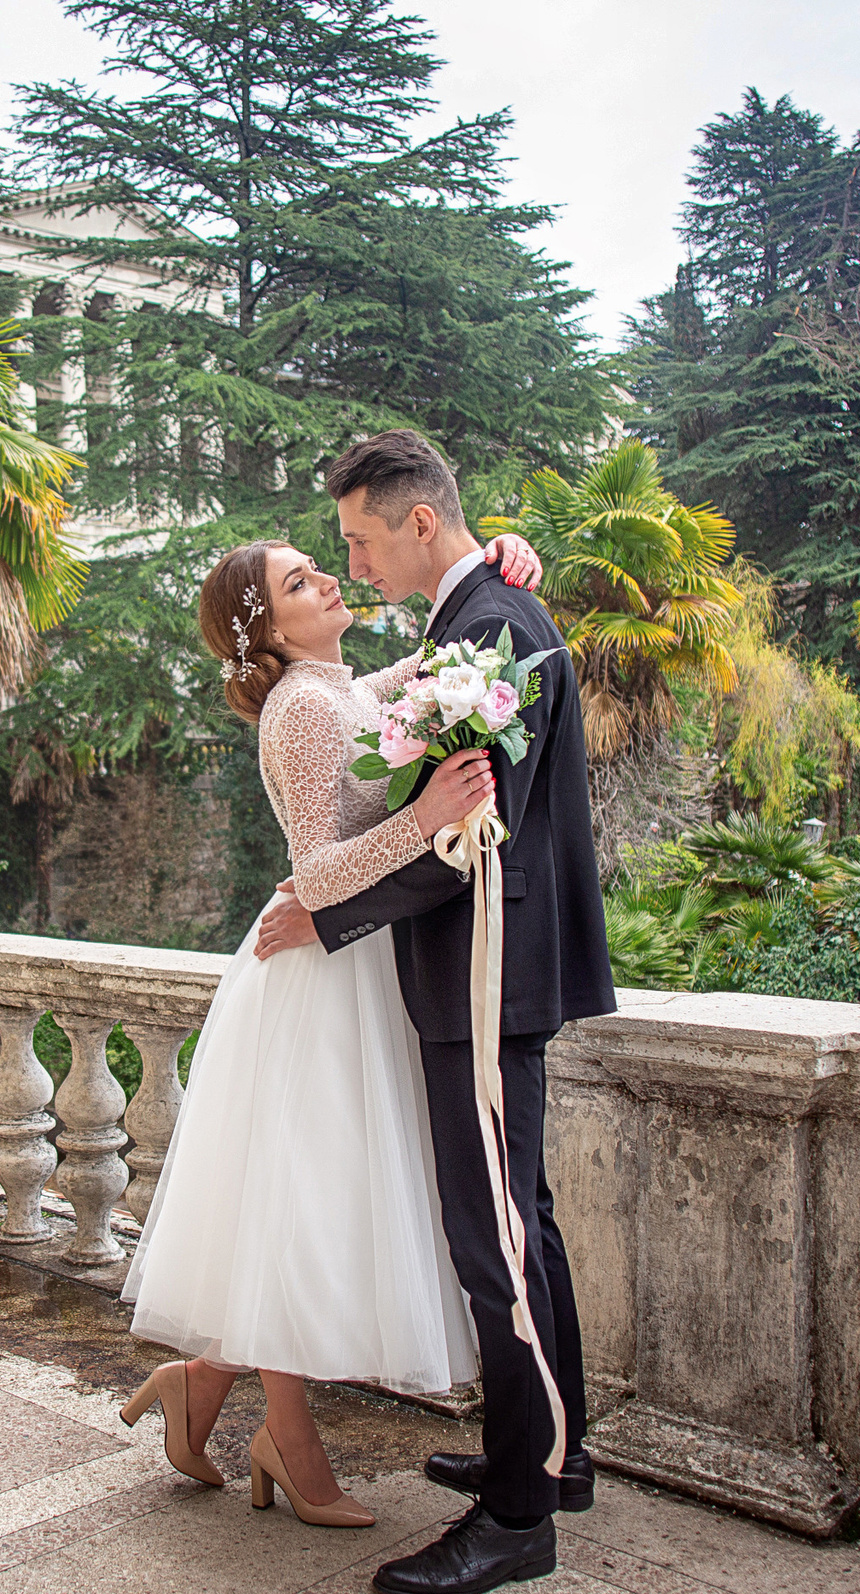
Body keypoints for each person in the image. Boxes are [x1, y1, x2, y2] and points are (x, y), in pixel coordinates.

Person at [118, 529, 543, 1529]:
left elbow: (443, 654)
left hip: (354, 975)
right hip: (316, 986)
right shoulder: (302, 708)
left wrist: (499, 556)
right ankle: (288, 1439)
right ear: (266, 624)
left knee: (313, 1213)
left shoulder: (341, 686)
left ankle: (207, 1389)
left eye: (319, 565)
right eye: (301, 580)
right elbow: (317, 874)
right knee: (303, 1212)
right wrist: (430, 809)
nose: (326, 579)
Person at [253, 429, 614, 1594]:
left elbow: (469, 830)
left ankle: (517, 1517)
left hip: (486, 972)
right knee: (521, 1227)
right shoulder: (484, 615)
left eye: (358, 541)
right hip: (493, 972)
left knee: (493, 1243)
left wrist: (325, 911)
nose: (351, 565)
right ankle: (548, 1462)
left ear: (419, 522)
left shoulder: (492, 627)